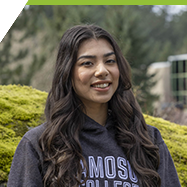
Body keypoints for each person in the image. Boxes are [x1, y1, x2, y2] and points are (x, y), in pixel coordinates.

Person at [7, 25, 181, 187]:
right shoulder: (40, 144)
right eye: (87, 63)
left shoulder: (148, 140)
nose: (102, 71)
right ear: (67, 72)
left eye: (110, 61)